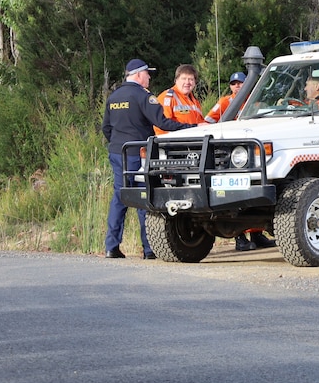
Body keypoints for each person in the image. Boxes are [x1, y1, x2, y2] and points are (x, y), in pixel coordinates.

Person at [102, 59, 200, 259]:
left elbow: (106, 127)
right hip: (138, 153)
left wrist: (117, 143)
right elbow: (162, 122)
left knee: (120, 197)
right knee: (143, 197)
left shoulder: (114, 96)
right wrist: (190, 128)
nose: (149, 77)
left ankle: (111, 247)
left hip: (117, 152)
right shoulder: (143, 96)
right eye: (147, 74)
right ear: (139, 74)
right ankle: (149, 249)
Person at [205, 71, 276, 252]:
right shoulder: (225, 102)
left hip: (250, 152)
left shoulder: (257, 103)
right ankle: (239, 238)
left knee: (255, 195)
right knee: (233, 196)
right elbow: (207, 121)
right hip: (230, 154)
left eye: (240, 83)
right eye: (234, 83)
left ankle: (257, 235)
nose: (237, 86)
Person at [154, 64, 205, 134]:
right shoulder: (168, 97)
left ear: (195, 83)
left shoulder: (195, 101)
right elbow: (163, 125)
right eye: (184, 79)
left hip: (193, 141)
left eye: (191, 79)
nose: (187, 82)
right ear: (176, 80)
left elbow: (200, 124)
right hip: (173, 142)